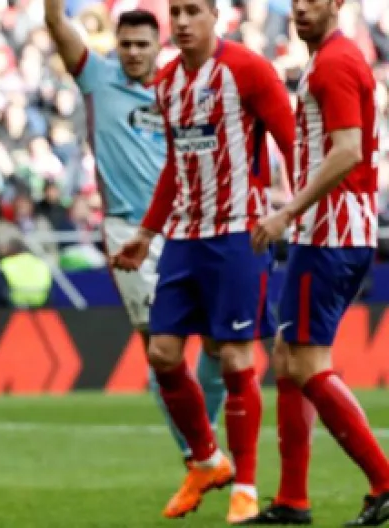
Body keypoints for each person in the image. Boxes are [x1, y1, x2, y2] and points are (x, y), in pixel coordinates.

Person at [109, 0, 296, 522]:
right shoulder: (168, 82)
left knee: (235, 360)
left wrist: (295, 211)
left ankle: (247, 488)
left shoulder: (248, 69)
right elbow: (176, 165)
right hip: (184, 237)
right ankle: (208, 461)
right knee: (163, 354)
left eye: (193, 11)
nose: (183, 21)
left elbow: (291, 142)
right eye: (176, 11)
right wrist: (146, 234)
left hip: (238, 235)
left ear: (216, 15)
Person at [44, 0, 225, 465]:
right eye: (125, 44)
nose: (133, 52)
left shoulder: (179, 86)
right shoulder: (96, 77)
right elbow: (55, 23)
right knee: (161, 351)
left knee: (219, 346)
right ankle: (198, 454)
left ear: (158, 46)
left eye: (142, 44)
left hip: (186, 225)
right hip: (128, 229)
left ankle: (202, 434)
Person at [242, 0, 389, 524]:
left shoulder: (335, 63)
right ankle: (292, 500)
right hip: (328, 231)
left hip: (331, 234)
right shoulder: (328, 59)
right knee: (288, 358)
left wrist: (287, 212)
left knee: (305, 364)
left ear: (338, 4)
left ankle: (384, 480)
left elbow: (348, 150)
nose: (302, 6)